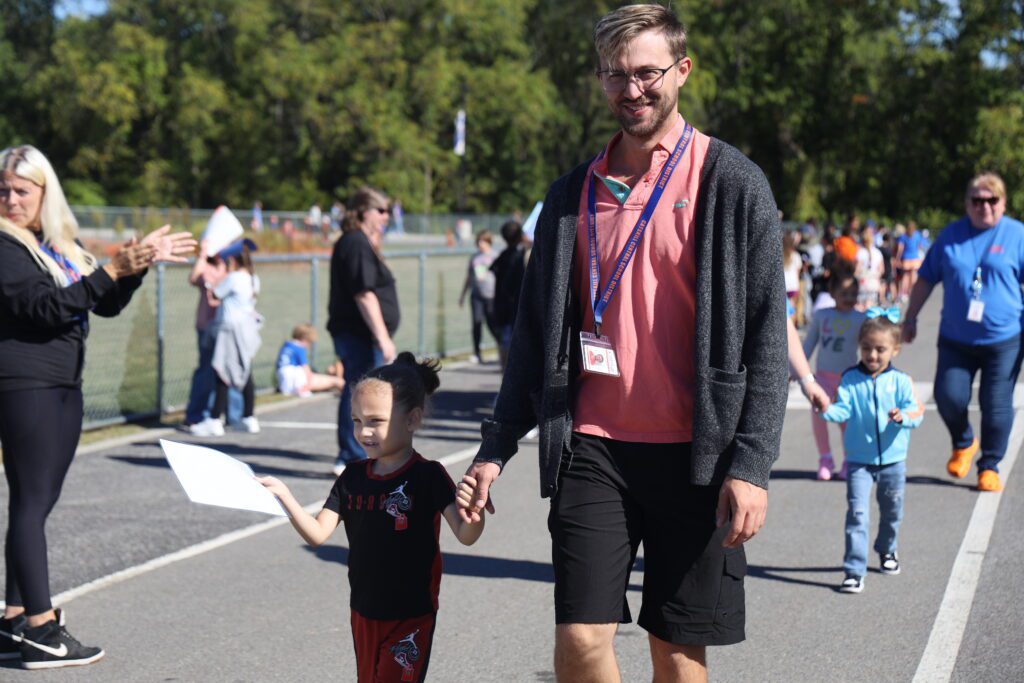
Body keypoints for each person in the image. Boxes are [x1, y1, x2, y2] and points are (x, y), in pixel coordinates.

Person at [458, 7, 788, 681]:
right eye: (616, 74)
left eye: (647, 73)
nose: (631, 89)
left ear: (681, 72)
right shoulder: (570, 196)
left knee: (676, 648)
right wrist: (493, 448)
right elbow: (533, 340)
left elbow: (767, 337)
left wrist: (751, 464)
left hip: (698, 454)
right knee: (581, 640)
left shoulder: (731, 183)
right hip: (594, 447)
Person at [0, 144, 194, 669]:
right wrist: (111, 269)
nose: (10, 199)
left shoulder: (56, 243)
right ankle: (41, 629)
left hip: (62, 384)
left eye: (21, 190)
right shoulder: (4, 245)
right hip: (28, 384)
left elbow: (102, 302)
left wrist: (135, 267)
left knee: (31, 503)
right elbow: (42, 309)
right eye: (3, 189)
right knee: (32, 505)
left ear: (45, 192)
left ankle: (15, 619)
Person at [258, 353, 484, 682]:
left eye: (376, 421)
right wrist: (285, 496)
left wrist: (475, 514)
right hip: (363, 611)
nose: (364, 431)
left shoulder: (428, 476)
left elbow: (466, 534)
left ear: (412, 419)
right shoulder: (351, 477)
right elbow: (318, 534)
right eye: (356, 420)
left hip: (411, 615)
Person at [903, 172, 1024, 492]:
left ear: (1003, 202)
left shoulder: (1017, 235)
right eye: (977, 200)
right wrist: (910, 317)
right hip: (956, 337)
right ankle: (964, 441)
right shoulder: (951, 235)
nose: (984, 206)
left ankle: (990, 465)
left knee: (995, 404)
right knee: (948, 396)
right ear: (967, 203)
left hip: (1004, 339)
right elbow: (927, 278)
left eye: (991, 200)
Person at [821, 310, 924, 593]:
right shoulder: (851, 378)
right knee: (857, 513)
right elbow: (843, 409)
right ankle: (854, 570)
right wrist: (827, 409)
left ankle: (887, 549)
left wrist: (903, 416)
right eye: (867, 348)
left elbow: (916, 412)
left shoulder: (901, 381)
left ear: (895, 350)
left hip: (893, 461)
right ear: (859, 346)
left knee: (892, 511)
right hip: (858, 461)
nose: (873, 355)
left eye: (880, 349)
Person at [327, 186, 400, 475]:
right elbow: (364, 294)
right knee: (359, 393)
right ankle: (351, 454)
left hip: (361, 334)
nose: (386, 216)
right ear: (363, 211)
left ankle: (356, 452)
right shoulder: (355, 242)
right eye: (381, 210)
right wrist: (383, 338)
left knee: (361, 391)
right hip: (358, 334)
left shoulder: (361, 242)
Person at [191, 238, 262, 436]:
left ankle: (214, 420)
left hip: (230, 329)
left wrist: (208, 284)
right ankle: (248, 417)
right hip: (246, 329)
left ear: (233, 260)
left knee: (221, 371)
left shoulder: (234, 278)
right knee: (244, 371)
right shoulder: (252, 278)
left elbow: (215, 294)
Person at [803, 269, 867, 480]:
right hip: (822, 379)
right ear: (832, 293)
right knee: (819, 418)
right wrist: (797, 369)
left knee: (847, 423)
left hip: (847, 381)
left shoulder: (861, 318)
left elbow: (869, 347)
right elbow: (809, 343)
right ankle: (825, 459)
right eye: (844, 293)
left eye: (853, 294)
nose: (849, 299)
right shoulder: (823, 316)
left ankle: (849, 460)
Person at [183, 239, 242, 432]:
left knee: (229, 371)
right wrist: (202, 255)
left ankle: (231, 414)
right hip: (207, 326)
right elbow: (193, 278)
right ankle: (197, 414)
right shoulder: (206, 267)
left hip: (226, 326)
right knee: (207, 370)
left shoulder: (229, 268)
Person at [489, 220, 528, 370]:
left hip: (502, 308)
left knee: (505, 345)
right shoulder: (519, 256)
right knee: (512, 348)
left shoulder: (503, 255)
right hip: (514, 309)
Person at [458, 230, 499, 363]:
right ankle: (477, 353)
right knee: (476, 323)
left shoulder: (495, 256)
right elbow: (469, 277)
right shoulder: (474, 257)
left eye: (483, 241)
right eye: (479, 241)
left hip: (491, 296)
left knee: (493, 324)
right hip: (476, 296)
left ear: (489, 242)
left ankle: (503, 347)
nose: (481, 244)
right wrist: (462, 295)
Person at [276, 323, 345, 396]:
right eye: (310, 342)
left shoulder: (286, 345)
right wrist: (308, 385)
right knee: (337, 381)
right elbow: (305, 369)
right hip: (297, 380)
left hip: (284, 381)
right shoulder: (299, 348)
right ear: (305, 339)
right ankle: (350, 397)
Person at [855, 222, 884, 307]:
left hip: (862, 283)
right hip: (873, 283)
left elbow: (856, 270)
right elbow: (882, 270)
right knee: (870, 306)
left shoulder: (859, 252)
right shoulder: (878, 253)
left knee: (860, 306)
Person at [896, 220, 926, 301]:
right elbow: (920, 246)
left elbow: (900, 249)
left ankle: (903, 294)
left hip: (906, 258)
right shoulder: (917, 235)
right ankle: (911, 293)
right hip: (915, 258)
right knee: (913, 277)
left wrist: (897, 258)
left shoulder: (903, 236)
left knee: (905, 277)